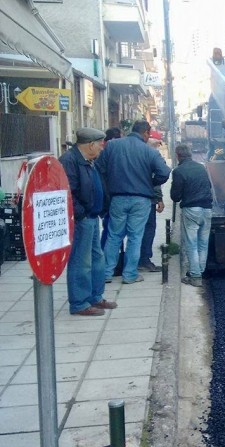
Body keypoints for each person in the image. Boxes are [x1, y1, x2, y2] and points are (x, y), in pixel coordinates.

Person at [96, 119, 171, 284]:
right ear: (145, 133)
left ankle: (106, 273)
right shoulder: (149, 151)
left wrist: (109, 185)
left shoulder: (112, 146)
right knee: (135, 237)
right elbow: (164, 172)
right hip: (141, 199)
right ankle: (129, 274)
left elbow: (99, 168)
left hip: (117, 198)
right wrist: (150, 182)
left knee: (114, 236)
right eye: (148, 134)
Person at [60, 128, 118, 316]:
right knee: (81, 261)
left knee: (96, 259)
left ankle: (95, 297)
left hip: (92, 217)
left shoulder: (89, 161)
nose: (102, 148)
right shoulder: (70, 161)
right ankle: (79, 303)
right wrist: (81, 214)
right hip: (82, 219)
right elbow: (67, 192)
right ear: (91, 145)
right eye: (100, 145)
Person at [170, 143, 213, 287]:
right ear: (190, 154)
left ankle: (195, 276)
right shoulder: (201, 168)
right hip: (207, 209)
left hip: (191, 210)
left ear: (178, 156)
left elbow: (175, 196)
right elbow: (209, 186)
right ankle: (199, 271)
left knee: (192, 243)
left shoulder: (179, 171)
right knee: (203, 243)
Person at [139, 130, 165, 272]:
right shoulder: (151, 155)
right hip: (147, 199)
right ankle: (144, 260)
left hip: (140, 197)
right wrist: (158, 198)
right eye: (156, 143)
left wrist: (159, 198)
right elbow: (158, 178)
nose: (157, 147)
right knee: (148, 229)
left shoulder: (139, 153)